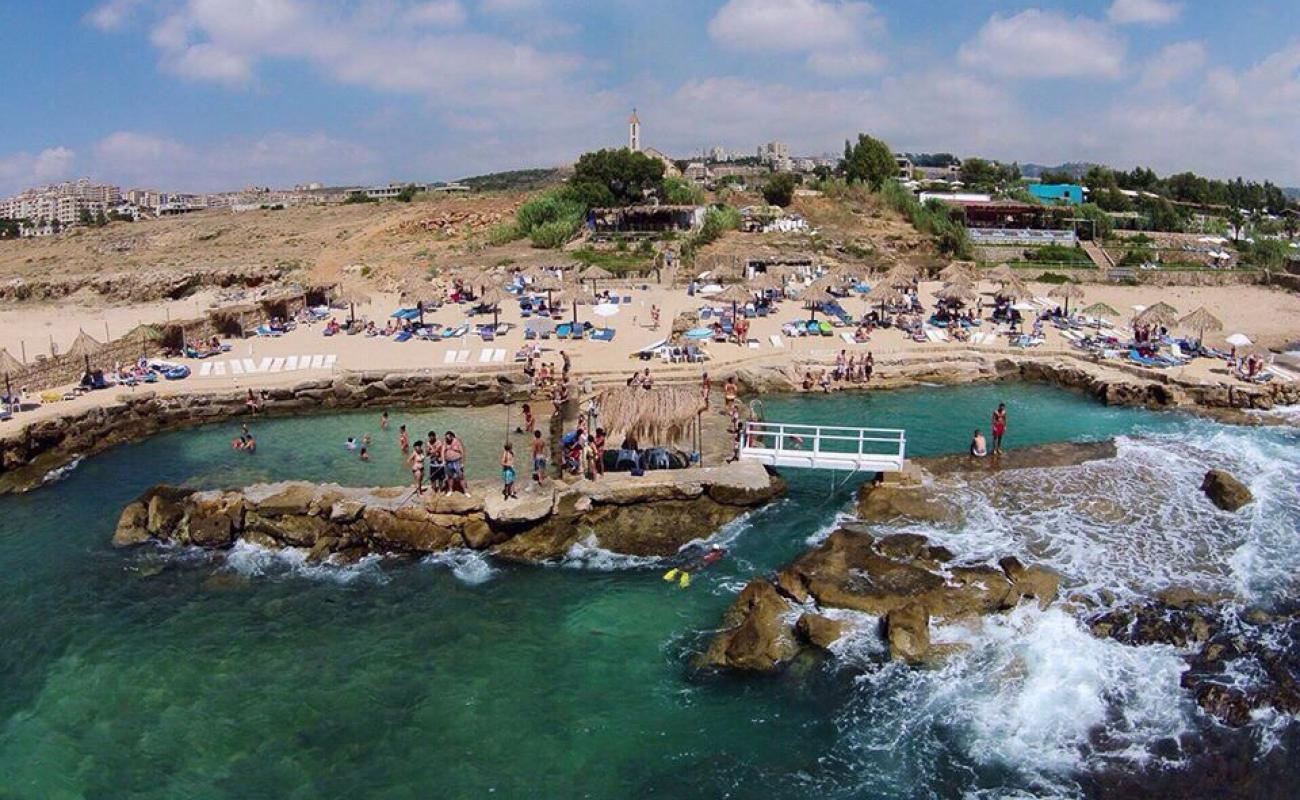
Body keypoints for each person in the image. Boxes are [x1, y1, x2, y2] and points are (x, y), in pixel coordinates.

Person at [443, 430, 468, 496]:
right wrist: (443, 460)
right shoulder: (445, 442)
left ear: (451, 436)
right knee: (450, 476)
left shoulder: (457, 441)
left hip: (457, 461)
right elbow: (442, 451)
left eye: (448, 438)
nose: (447, 439)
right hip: (448, 462)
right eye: (446, 438)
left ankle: (465, 491)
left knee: (461, 476)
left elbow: (462, 452)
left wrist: (462, 463)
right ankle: (450, 490)